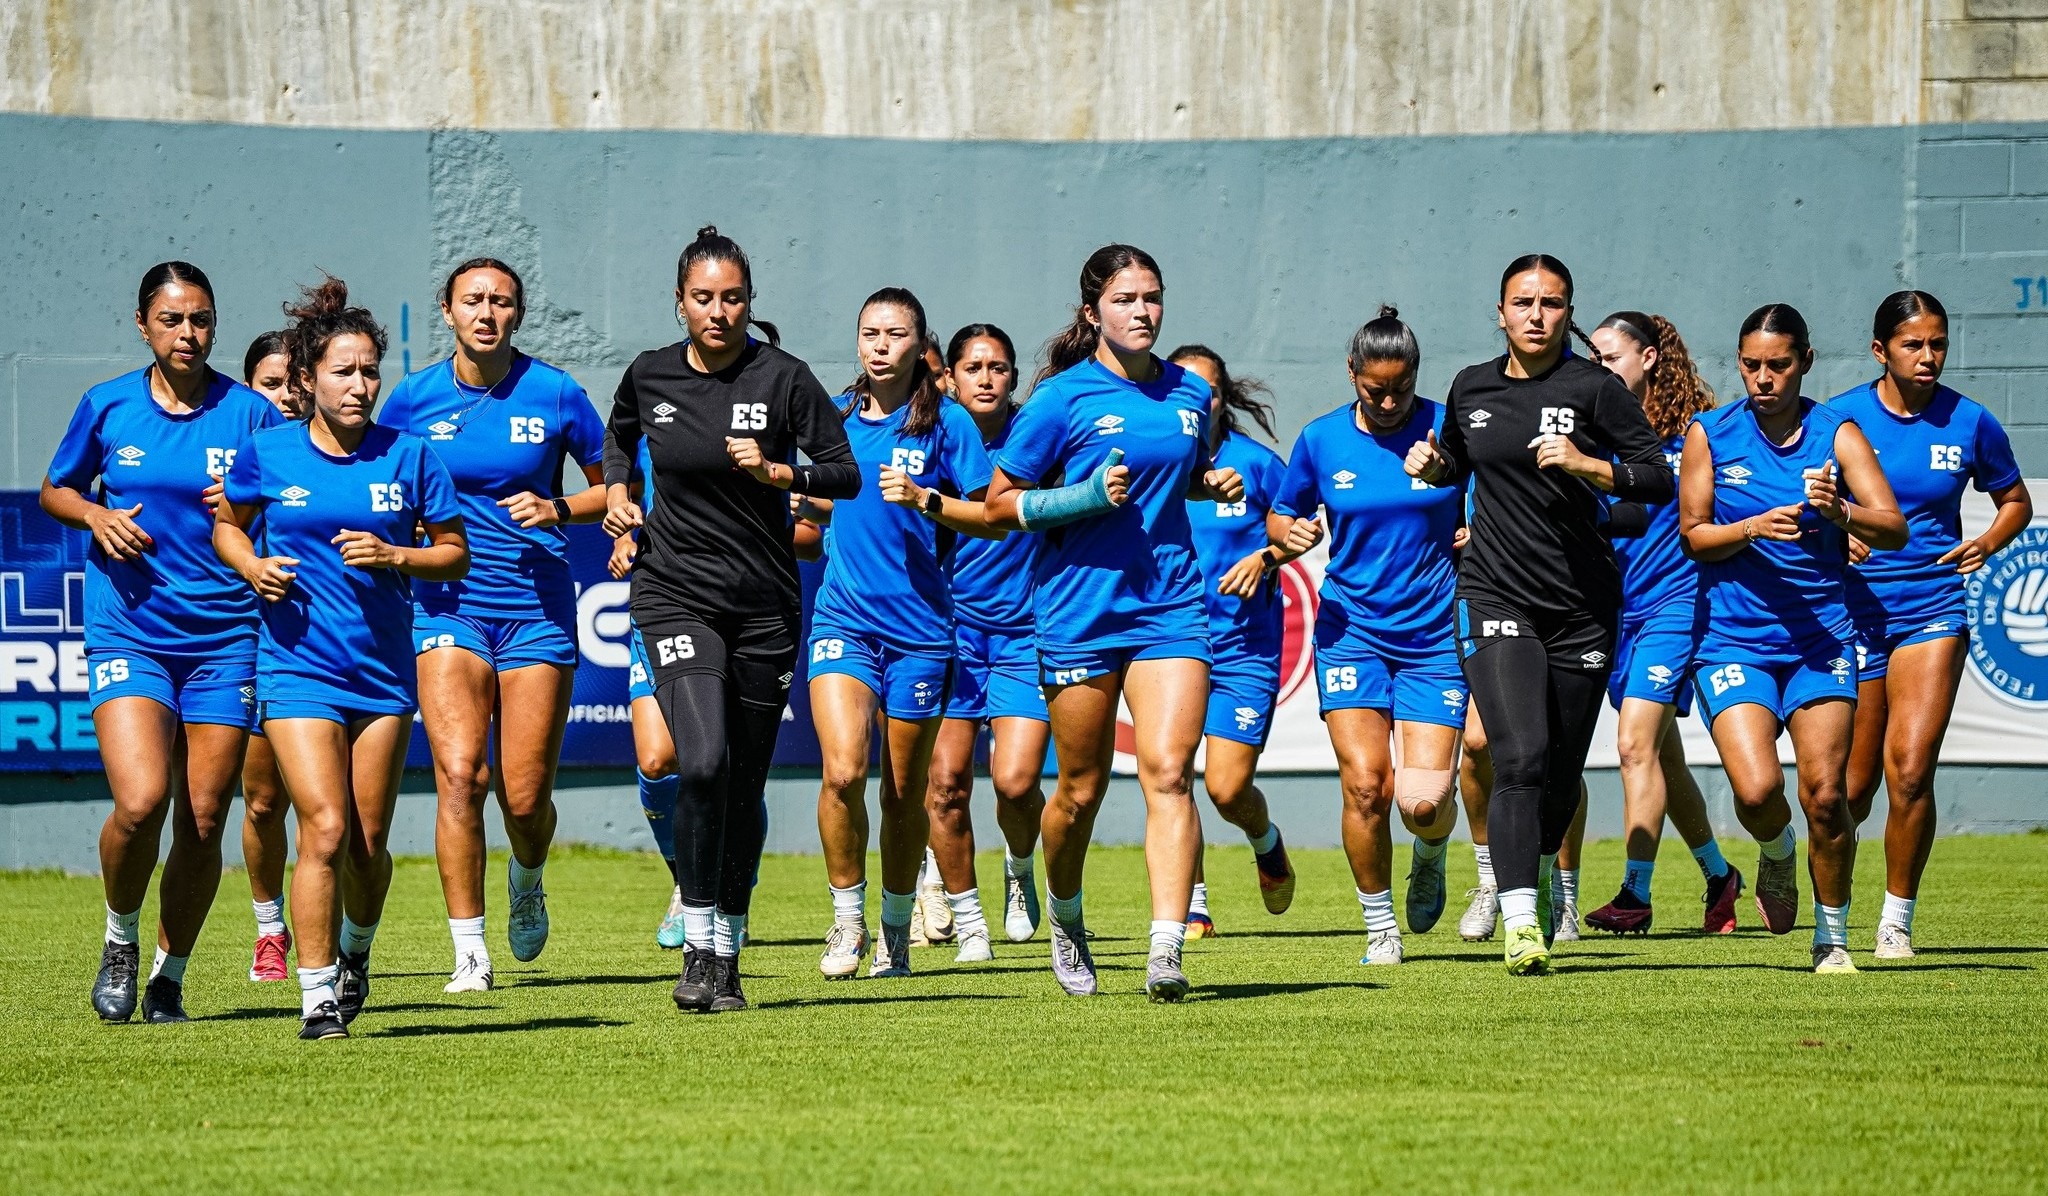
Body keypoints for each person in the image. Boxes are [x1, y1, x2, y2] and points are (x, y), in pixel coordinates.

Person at [603, 226, 860, 1014]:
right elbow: (618, 439)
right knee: (704, 761)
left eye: (733, 298)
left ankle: (728, 953)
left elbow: (844, 475)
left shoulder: (784, 378)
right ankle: (697, 944)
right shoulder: (649, 374)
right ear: (679, 302)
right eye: (704, 298)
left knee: (744, 785)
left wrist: (780, 471)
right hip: (674, 594)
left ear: (751, 302)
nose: (719, 311)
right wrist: (616, 495)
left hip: (764, 606)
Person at [984, 243, 1246, 1002]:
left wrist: (1205, 484)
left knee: (1169, 772)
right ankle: (1066, 918)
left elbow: (1170, 477)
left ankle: (1167, 950)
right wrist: (1084, 497)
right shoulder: (1060, 399)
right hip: (1079, 612)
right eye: (1126, 299)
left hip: (1170, 608)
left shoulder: (1190, 392)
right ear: (1092, 310)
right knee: (1078, 792)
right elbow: (999, 505)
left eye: (1152, 297)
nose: (1142, 311)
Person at [1404, 254, 1673, 975]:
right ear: (1500, 313)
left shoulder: (1596, 389)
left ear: (1568, 314)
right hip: (1494, 593)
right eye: (1523, 302)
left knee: (1557, 773)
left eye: (1551, 303)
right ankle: (1521, 921)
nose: (1536, 314)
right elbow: (1457, 462)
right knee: (1517, 755)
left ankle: (1541, 874)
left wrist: (1590, 465)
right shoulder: (1471, 386)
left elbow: (1657, 479)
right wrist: (1435, 468)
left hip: (1582, 606)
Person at [215, 276, 468, 1037]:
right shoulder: (267, 452)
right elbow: (227, 525)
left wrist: (397, 555)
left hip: (383, 674)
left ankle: (356, 952)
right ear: (307, 379)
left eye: (370, 372)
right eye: (343, 371)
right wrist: (251, 565)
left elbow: (453, 553)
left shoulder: (411, 456)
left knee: (366, 842)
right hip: (296, 668)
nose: (360, 385)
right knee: (322, 828)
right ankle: (318, 995)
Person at [43, 262, 284, 1023]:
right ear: (143, 324)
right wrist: (95, 515)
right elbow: (57, 488)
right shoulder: (107, 404)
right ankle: (119, 938)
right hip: (132, 630)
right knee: (143, 801)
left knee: (205, 818)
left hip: (227, 637)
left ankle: (167, 977)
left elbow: (295, 500)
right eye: (172, 319)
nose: (188, 333)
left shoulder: (251, 415)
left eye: (201, 319)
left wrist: (248, 510)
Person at [380, 258, 609, 993]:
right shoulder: (410, 400)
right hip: (447, 606)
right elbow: (376, 482)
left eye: (502, 301)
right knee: (459, 776)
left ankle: (528, 876)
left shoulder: (557, 392)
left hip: (537, 609)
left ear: (518, 313)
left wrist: (558, 507)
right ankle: (469, 952)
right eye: (473, 300)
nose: (487, 313)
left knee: (524, 798)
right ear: (447, 310)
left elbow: (616, 488)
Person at [1679, 303, 1906, 974]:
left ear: (1805, 362)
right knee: (1755, 793)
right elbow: (1694, 535)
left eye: (1778, 365)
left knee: (1827, 796)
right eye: (1751, 365)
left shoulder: (1838, 435)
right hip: (1733, 642)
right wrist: (1750, 527)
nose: (1763, 378)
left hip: (1820, 644)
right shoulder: (1711, 434)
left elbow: (1893, 527)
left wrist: (1843, 512)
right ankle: (1776, 851)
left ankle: (1831, 939)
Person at [811, 289, 1002, 978]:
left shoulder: (947, 423)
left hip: (921, 633)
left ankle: (896, 927)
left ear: (920, 346)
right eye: (870, 333)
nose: (880, 345)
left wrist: (928, 500)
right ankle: (846, 922)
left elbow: (990, 515)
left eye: (895, 334)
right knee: (841, 773)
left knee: (900, 794)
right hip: (843, 621)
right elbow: (820, 502)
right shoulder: (832, 417)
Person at [1834, 292, 2030, 959]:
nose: (1928, 356)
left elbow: (2014, 499)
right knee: (1850, 790)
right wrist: (1837, 534)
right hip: (1854, 615)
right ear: (1880, 350)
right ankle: (1832, 912)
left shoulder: (1971, 421)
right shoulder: (1840, 419)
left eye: (1938, 343)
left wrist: (1989, 541)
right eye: (1913, 344)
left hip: (1932, 608)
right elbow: (1803, 501)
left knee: (1912, 771)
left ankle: (1896, 921)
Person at [1268, 308, 1464, 965]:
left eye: (1400, 389)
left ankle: (1431, 852)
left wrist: (1472, 522)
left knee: (1422, 803)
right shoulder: (1321, 439)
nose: (1387, 402)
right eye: (1374, 389)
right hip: (1351, 632)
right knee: (1365, 786)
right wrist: (1290, 535)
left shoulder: (1448, 429)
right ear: (1351, 373)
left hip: (1434, 636)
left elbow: (1494, 501)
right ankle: (1381, 929)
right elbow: (1283, 515)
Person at [1580, 312, 1745, 936]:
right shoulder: (1590, 434)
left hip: (1675, 608)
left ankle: (1635, 894)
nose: (1598, 369)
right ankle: (1719, 876)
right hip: (1611, 612)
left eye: (1610, 357)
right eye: (1592, 359)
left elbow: (1747, 500)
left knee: (1632, 746)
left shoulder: (1698, 433)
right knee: (1662, 761)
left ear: (1649, 358)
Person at [924, 324, 1052, 947]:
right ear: (949, 378)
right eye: (972, 368)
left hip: (1026, 636)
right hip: (949, 635)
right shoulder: (928, 438)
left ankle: (1020, 869)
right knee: (946, 786)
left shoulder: (1037, 436)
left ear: (1013, 378)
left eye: (998, 367)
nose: (985, 378)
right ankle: (968, 921)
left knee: (1016, 783)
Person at [1170, 343, 1298, 938]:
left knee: (1225, 787)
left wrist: (1266, 557)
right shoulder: (1155, 462)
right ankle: (1192, 903)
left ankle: (1265, 841)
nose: (1201, 402)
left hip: (1245, 648)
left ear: (1224, 399)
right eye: (1188, 391)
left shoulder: (1257, 464)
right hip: (1171, 644)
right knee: (1172, 777)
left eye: (1211, 391)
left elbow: (1299, 530)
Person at [235, 330, 303, 982]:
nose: (286, 396)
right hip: (247, 638)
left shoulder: (349, 451)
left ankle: (341, 933)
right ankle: (269, 928)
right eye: (270, 384)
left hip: (327, 647)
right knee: (262, 801)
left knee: (335, 808)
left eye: (294, 382)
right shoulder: (239, 457)